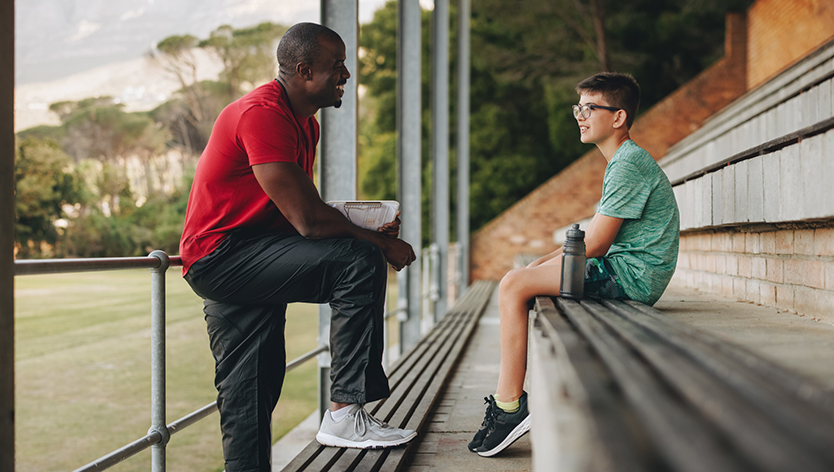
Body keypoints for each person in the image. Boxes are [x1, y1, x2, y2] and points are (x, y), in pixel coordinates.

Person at [179, 23, 418, 472]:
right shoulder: (262, 114)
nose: (346, 74)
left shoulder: (304, 124)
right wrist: (378, 244)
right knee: (360, 260)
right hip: (223, 257)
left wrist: (366, 225)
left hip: (254, 250)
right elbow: (308, 221)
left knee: (251, 389)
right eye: (337, 66)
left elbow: (295, 208)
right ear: (305, 71)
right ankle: (346, 412)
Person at [468, 72, 680, 457]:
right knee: (519, 279)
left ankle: (508, 407)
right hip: (625, 270)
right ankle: (508, 403)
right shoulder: (621, 161)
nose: (580, 115)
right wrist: (535, 267)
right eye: (577, 108)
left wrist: (531, 273)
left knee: (514, 285)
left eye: (590, 108)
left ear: (618, 117)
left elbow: (596, 244)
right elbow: (592, 239)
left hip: (632, 277)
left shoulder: (629, 163)